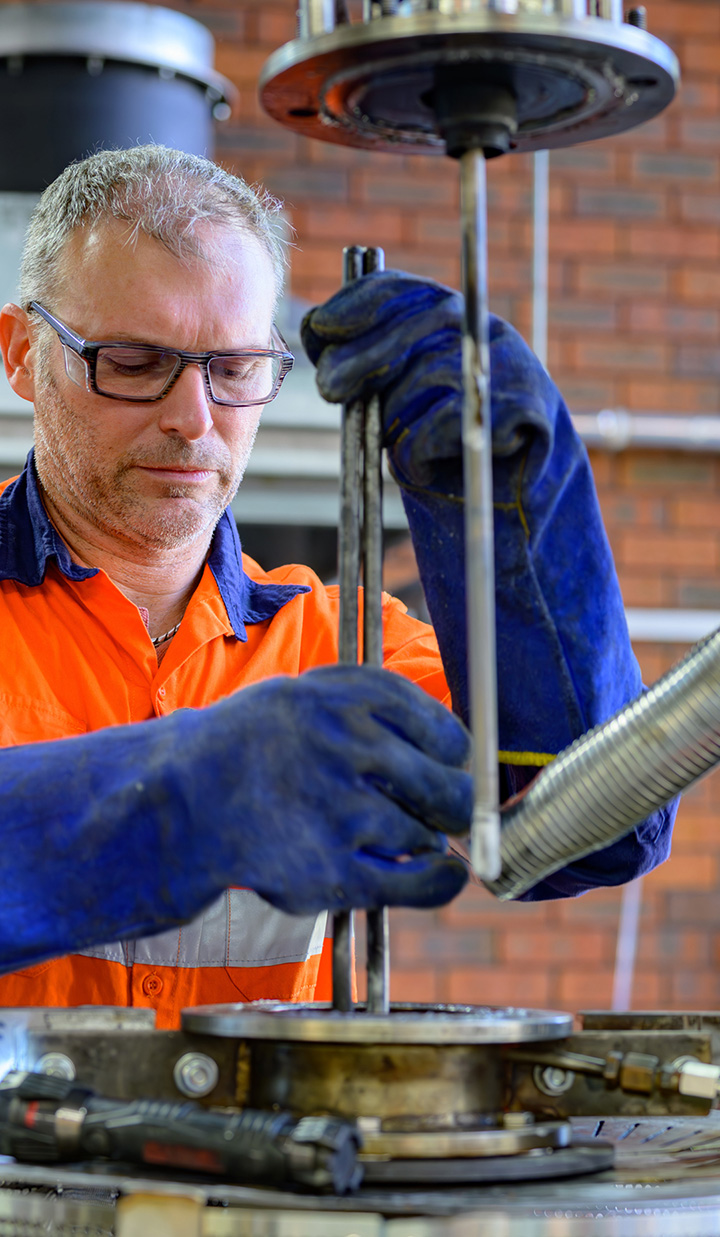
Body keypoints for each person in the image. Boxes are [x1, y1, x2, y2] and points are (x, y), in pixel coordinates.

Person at [0, 145, 675, 1028]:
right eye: (131, 361)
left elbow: (594, 830)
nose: (194, 419)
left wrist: (521, 521)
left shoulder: (339, 644)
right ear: (22, 353)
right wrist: (177, 800)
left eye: (234, 369)